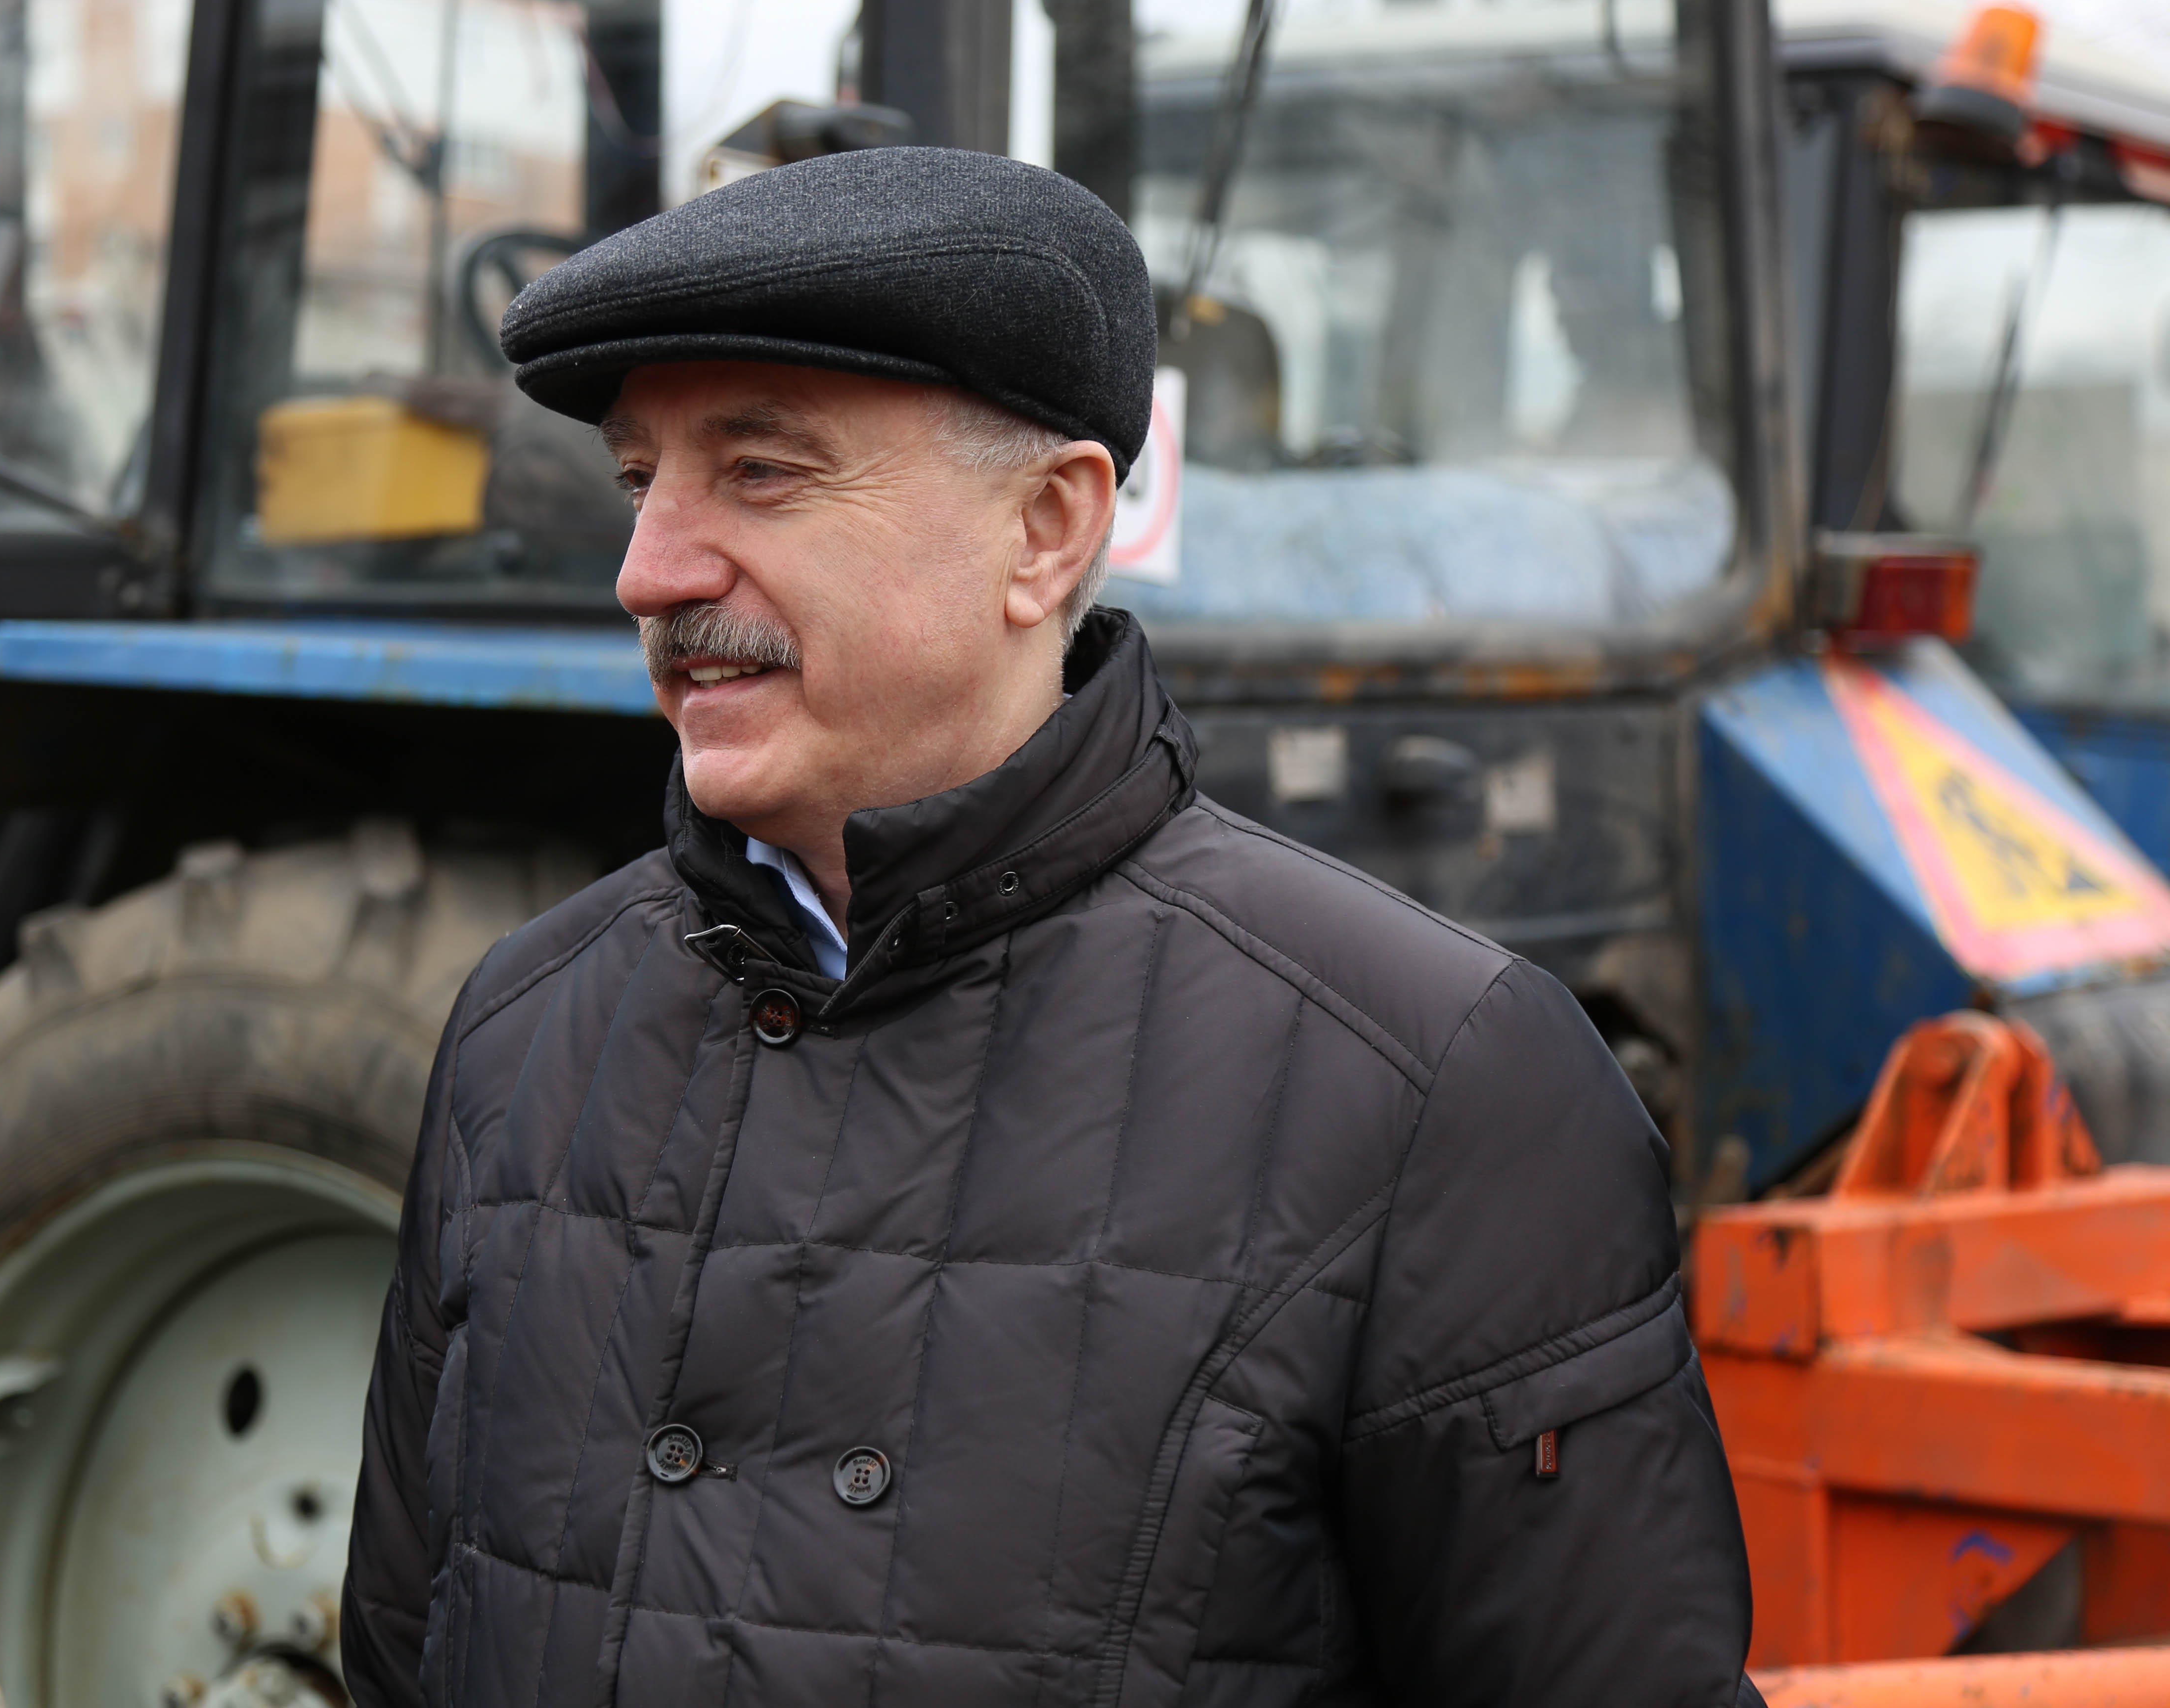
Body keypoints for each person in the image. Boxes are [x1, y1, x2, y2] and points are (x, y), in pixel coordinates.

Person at [342, 146, 1756, 1707]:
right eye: (638, 482)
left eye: (761, 473)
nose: (646, 572)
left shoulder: (1435, 1090)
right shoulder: (524, 1034)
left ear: (1046, 530)